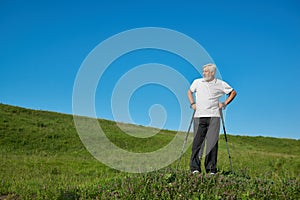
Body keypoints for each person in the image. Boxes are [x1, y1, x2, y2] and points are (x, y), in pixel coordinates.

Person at [187, 63, 236, 174]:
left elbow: (233, 92)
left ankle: (211, 169)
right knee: (197, 143)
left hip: (214, 116)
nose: (204, 73)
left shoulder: (220, 84)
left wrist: (224, 103)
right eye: (203, 71)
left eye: (206, 71)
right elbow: (189, 91)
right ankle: (195, 168)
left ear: (212, 73)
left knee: (212, 143)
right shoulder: (197, 82)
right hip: (199, 116)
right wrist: (192, 103)